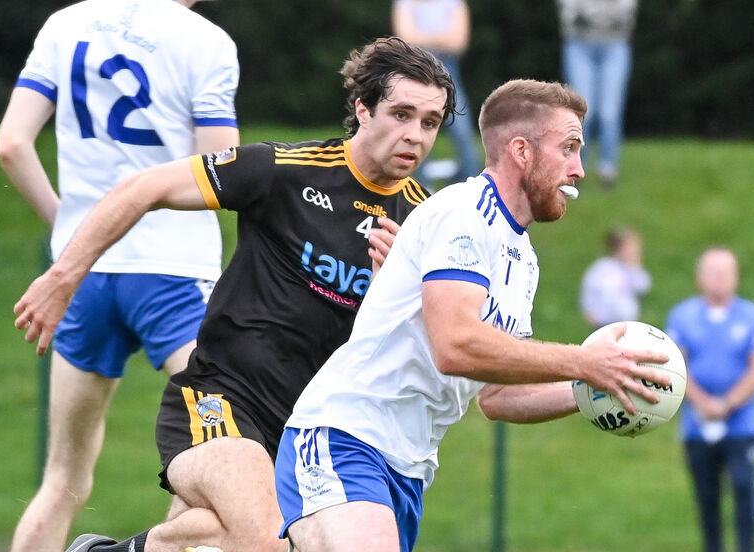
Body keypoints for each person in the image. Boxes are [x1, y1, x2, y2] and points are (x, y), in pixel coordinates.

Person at [13, 37, 457, 552]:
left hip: (313, 434)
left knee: (214, 540)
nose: (415, 136)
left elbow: (434, 348)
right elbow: (142, 188)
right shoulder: (283, 171)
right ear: (362, 110)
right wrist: (63, 276)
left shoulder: (424, 226)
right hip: (221, 400)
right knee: (267, 541)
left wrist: (398, 287)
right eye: (401, 114)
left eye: (430, 122)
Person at [274, 78, 672, 552]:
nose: (579, 169)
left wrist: (595, 388)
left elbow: (499, 397)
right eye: (569, 148)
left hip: (407, 470)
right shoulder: (463, 214)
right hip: (344, 436)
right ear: (521, 150)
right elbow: (455, 345)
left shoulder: (523, 260)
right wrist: (585, 362)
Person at [0, 1, 239, 551]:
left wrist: (74, 234)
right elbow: (223, 169)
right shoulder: (205, 41)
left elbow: (11, 145)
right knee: (228, 471)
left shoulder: (65, 23)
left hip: (85, 280)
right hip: (173, 275)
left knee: (61, 481)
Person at [665, 248, 754, 552]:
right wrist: (702, 403)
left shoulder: (752, 316)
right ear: (700, 277)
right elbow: (674, 363)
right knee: (706, 495)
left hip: (742, 423)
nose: (721, 279)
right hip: (698, 424)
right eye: (714, 272)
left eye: (727, 272)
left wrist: (728, 403)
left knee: (744, 487)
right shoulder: (683, 315)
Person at [392, 0, 482, 187]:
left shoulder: (452, 3)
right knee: (414, 127)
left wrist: (422, 39)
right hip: (414, 70)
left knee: (462, 129)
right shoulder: (406, 3)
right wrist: (442, 39)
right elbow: (406, 39)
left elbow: (458, 42)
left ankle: (472, 183)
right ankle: (418, 186)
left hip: (448, 71)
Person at [556, 0, 639, 188]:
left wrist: (591, 14)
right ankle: (576, 168)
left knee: (610, 113)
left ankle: (608, 170)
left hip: (615, 45)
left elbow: (625, 12)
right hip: (578, 45)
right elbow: (570, 14)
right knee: (582, 111)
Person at [580, 226, 651, 328]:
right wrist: (589, 310)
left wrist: (635, 267)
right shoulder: (602, 268)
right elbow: (591, 289)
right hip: (604, 323)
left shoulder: (631, 268)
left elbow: (643, 286)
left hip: (628, 323)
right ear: (618, 248)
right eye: (631, 247)